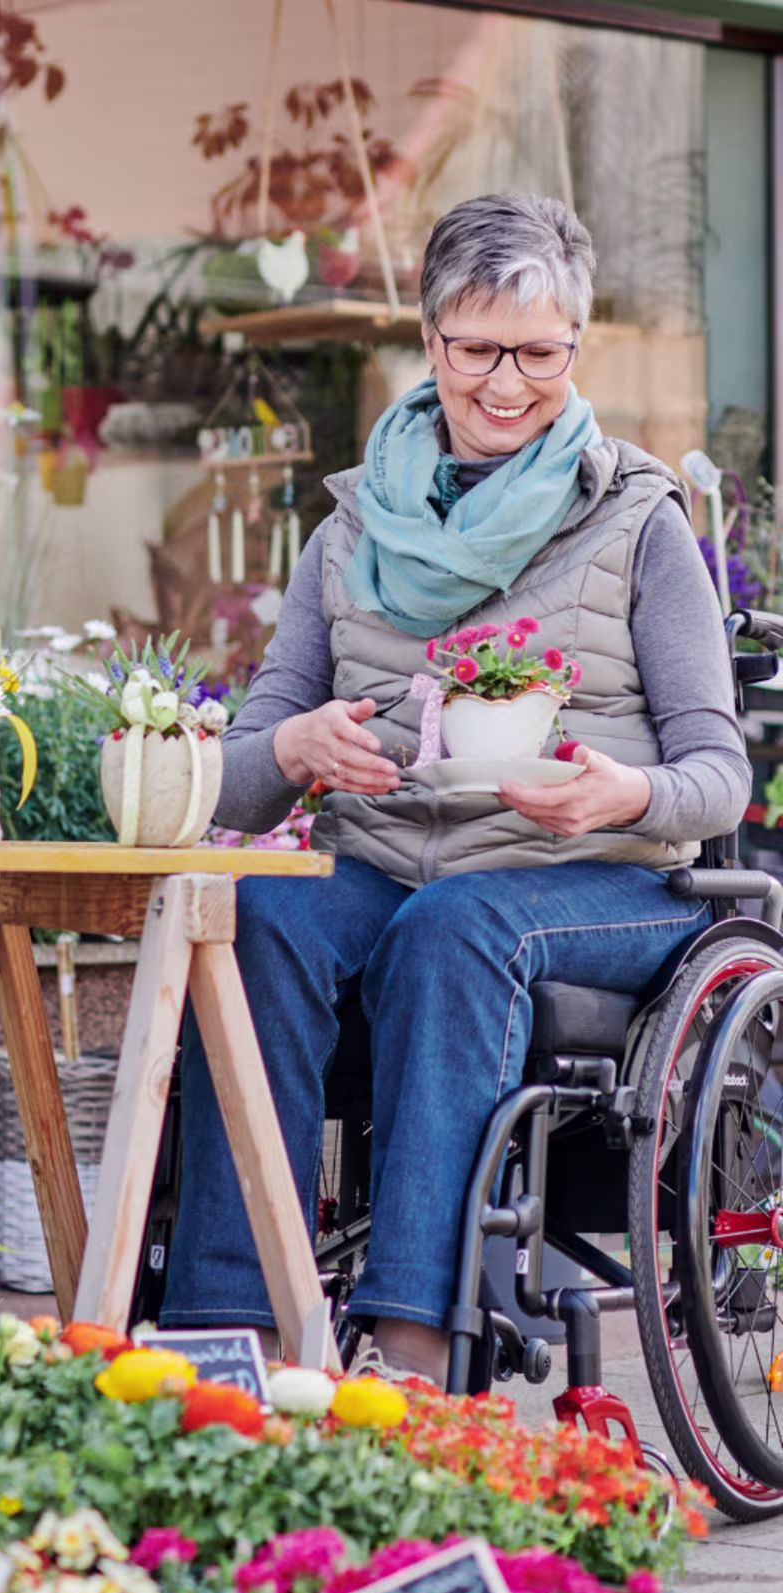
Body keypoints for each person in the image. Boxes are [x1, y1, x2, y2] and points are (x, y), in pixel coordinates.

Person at [159, 192, 748, 1384]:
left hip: (594, 885)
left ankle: (413, 1341)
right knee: (257, 914)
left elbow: (719, 777)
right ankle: (228, 1330)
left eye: (540, 352)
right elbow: (232, 778)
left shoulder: (639, 523)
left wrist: (618, 795)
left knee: (453, 927)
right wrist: (297, 751)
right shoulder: (343, 532)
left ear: (574, 347)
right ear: (429, 343)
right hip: (388, 862)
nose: (506, 383)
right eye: (478, 348)